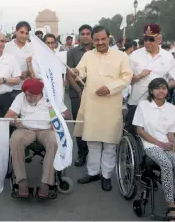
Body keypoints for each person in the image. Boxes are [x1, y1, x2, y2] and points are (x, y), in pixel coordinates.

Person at [72, 25, 133, 191]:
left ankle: (106, 176)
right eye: (96, 39)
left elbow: (127, 77)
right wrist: (76, 71)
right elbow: (81, 72)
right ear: (92, 39)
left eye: (103, 39)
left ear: (109, 38)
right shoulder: (87, 55)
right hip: (91, 104)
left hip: (111, 105)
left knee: (109, 143)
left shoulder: (121, 56)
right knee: (92, 141)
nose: (100, 42)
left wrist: (110, 88)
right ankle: (93, 173)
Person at [5, 78, 71, 198]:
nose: (29, 98)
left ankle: (46, 183)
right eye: (27, 95)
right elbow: (8, 115)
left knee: (54, 141)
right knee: (15, 140)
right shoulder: (21, 97)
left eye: (32, 96)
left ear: (40, 93)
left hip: (46, 129)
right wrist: (14, 120)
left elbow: (67, 114)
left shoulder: (50, 97)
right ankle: (21, 181)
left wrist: (57, 120)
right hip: (25, 128)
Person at [132, 78, 175, 221]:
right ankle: (171, 204)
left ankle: (171, 191)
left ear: (167, 91)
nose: (161, 90)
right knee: (167, 164)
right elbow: (140, 130)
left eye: (164, 88)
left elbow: (170, 134)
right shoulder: (144, 105)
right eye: (157, 88)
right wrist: (159, 143)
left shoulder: (171, 108)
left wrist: (173, 144)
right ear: (151, 91)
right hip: (150, 144)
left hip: (167, 144)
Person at [126, 24, 175, 135]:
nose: (147, 42)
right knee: (134, 135)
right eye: (145, 39)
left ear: (159, 39)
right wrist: (139, 76)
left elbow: (173, 80)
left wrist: (163, 87)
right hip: (136, 103)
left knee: (158, 135)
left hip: (158, 105)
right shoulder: (134, 55)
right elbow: (126, 80)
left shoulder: (168, 57)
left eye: (151, 39)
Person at [66, 24, 93, 167]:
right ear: (79, 36)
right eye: (83, 34)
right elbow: (70, 75)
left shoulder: (98, 51)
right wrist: (79, 91)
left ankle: (94, 154)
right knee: (80, 124)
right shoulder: (72, 53)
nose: (85, 36)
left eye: (88, 33)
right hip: (77, 94)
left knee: (94, 123)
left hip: (96, 93)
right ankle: (82, 153)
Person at [4, 21, 37, 99]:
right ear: (16, 32)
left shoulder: (32, 49)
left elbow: (36, 69)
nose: (24, 35)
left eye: (26, 33)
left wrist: (27, 73)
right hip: (8, 89)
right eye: (21, 32)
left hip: (25, 89)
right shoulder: (6, 47)